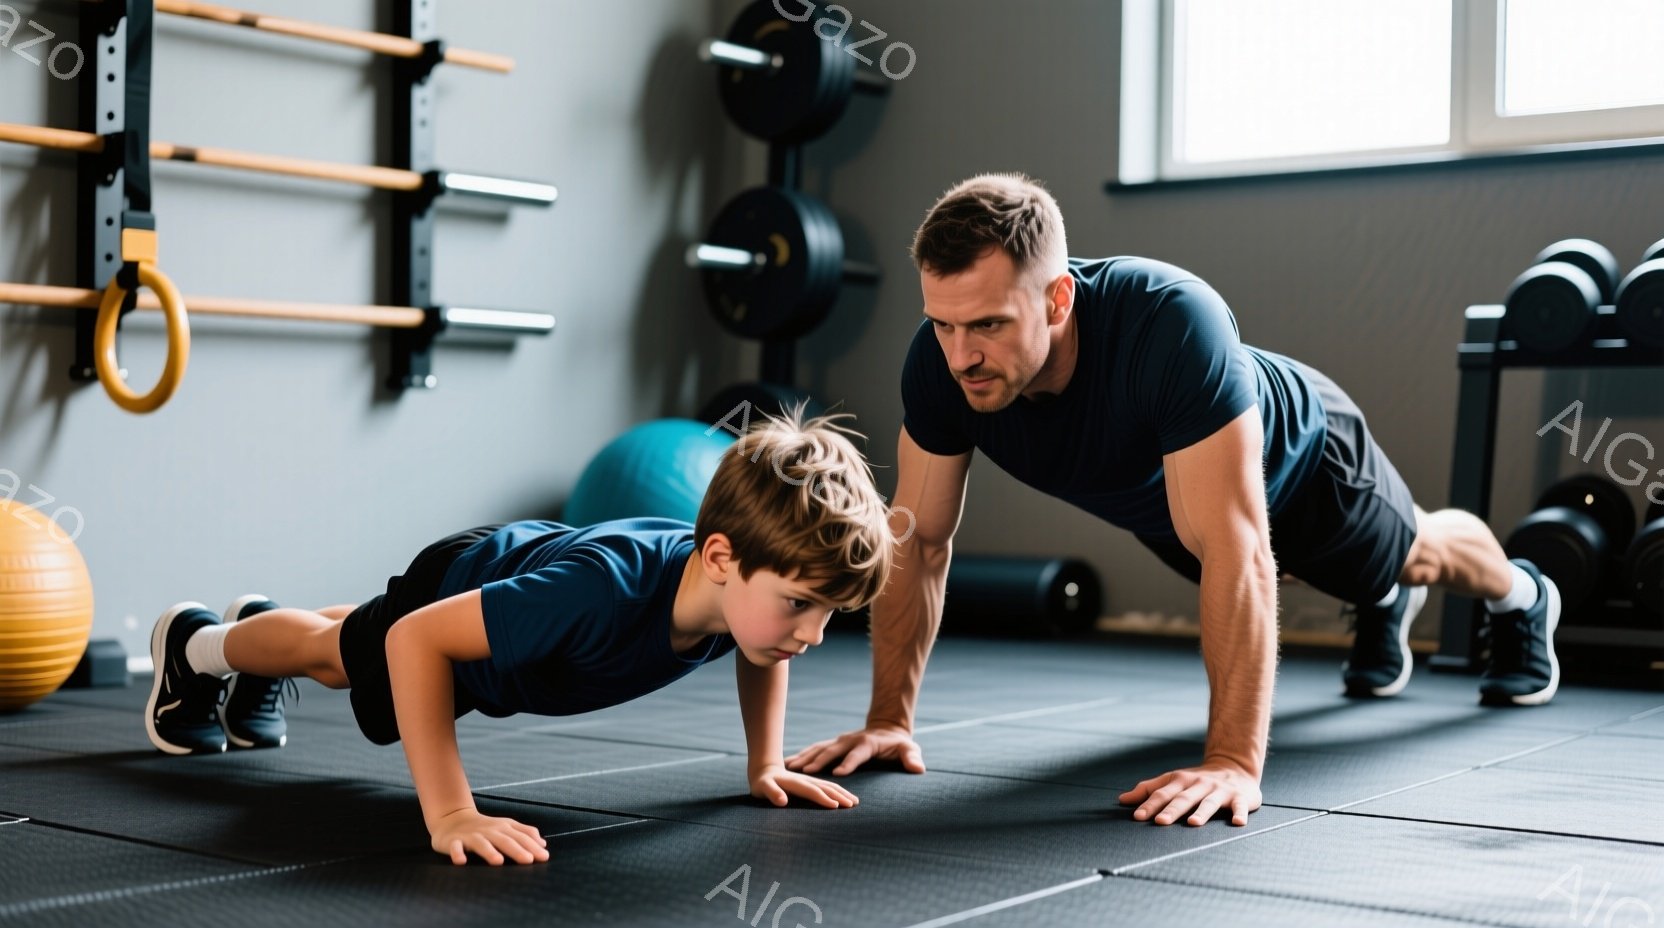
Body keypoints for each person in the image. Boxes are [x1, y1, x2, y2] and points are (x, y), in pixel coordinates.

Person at [786, 173, 1560, 830]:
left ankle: (1525, 596)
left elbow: (1240, 547)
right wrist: (890, 718)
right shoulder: (943, 367)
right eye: (943, 324)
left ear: (1058, 300)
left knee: (1419, 552)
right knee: (1311, 570)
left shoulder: (1168, 321)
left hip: (1307, 463)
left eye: (987, 324)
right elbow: (917, 542)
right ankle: (1379, 598)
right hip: (1174, 504)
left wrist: (1232, 763)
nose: (961, 356)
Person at [144, 409, 896, 866]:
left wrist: (764, 763)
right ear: (723, 559)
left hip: (514, 589)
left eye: (829, 612)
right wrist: (451, 815)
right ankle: (197, 647)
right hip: (457, 590)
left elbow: (763, 651)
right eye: (801, 605)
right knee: (334, 657)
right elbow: (414, 642)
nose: (812, 635)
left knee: (356, 631)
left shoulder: (743, 603)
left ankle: (253, 625)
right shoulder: (607, 594)